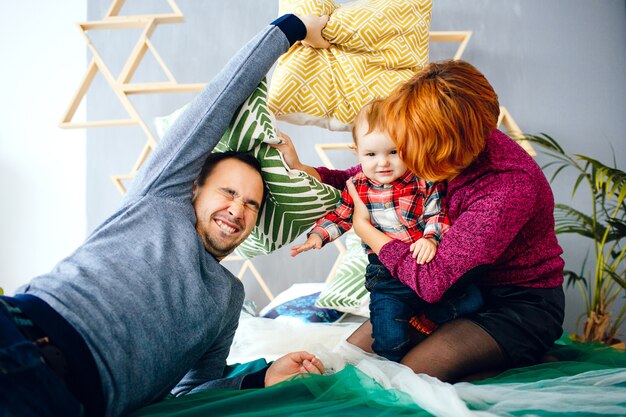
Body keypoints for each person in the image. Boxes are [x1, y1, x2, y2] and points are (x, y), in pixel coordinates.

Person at [0, 13, 330, 417]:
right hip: (19, 327)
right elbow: (217, 103)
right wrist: (291, 27)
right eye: (228, 192)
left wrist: (259, 378)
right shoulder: (161, 197)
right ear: (195, 188)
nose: (237, 210)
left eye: (251, 204)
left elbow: (195, 390)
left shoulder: (228, 299)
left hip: (68, 400)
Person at [274, 59, 565, 383]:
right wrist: (303, 168)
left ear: (446, 145)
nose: (406, 154)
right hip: (453, 291)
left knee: (405, 379)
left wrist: (366, 230)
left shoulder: (507, 186)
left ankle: (514, 359)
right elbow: (364, 181)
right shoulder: (436, 145)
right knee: (346, 361)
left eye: (412, 143)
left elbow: (431, 280)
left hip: (514, 306)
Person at [289, 100, 483, 362]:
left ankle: (432, 316)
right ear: (357, 152)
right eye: (371, 155)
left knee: (472, 298)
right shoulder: (356, 186)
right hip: (386, 273)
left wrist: (430, 238)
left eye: (393, 152)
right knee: (387, 332)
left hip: (423, 261)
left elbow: (437, 213)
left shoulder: (424, 179)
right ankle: (392, 362)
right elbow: (342, 216)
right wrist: (317, 236)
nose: (383, 163)